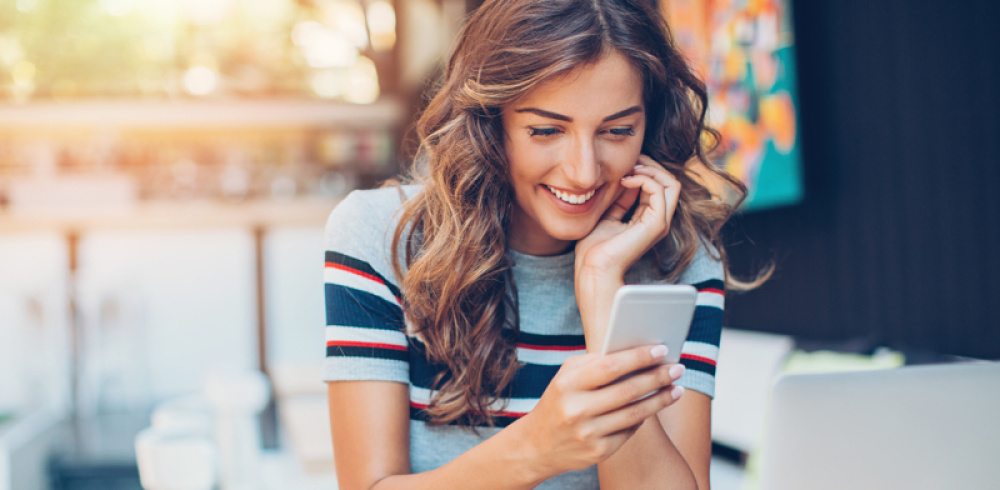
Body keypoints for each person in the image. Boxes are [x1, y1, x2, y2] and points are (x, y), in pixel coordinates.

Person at [323, 0, 765, 488]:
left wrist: (602, 292)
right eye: (546, 130)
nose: (583, 170)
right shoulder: (382, 237)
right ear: (491, 124)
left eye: (618, 131)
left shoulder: (678, 260)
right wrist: (536, 448)